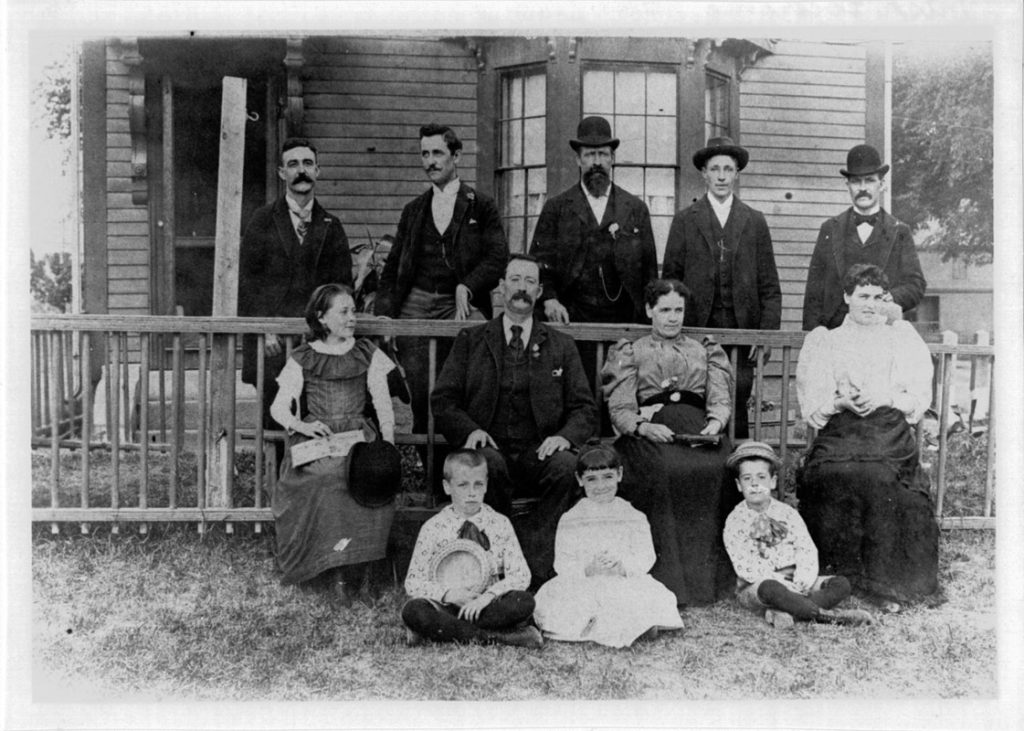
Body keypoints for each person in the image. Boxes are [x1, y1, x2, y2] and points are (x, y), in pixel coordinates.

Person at [431, 254, 598, 585]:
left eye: (530, 282)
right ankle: (497, 562)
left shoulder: (561, 345)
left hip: (541, 450)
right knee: (484, 466)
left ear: (539, 293)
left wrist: (564, 436)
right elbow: (443, 399)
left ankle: (538, 566)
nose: (522, 288)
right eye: (516, 280)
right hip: (491, 446)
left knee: (567, 467)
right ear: (501, 288)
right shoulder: (472, 340)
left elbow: (584, 407)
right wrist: (471, 430)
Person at [796, 263, 942, 612]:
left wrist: (885, 398)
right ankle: (840, 575)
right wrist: (840, 401)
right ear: (847, 297)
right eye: (863, 296)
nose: (871, 304)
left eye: (878, 297)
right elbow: (814, 406)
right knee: (830, 474)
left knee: (881, 478)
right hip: (843, 427)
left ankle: (884, 582)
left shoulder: (899, 337)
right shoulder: (827, 341)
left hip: (887, 427)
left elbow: (917, 397)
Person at [375, 123, 509, 468]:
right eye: (425, 154)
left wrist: (469, 284)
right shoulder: (414, 210)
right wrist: (385, 315)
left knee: (463, 392)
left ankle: (466, 471)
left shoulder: (481, 206)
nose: (430, 161)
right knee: (421, 396)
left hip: (458, 306)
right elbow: (392, 270)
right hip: (416, 304)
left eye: (437, 153)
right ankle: (433, 474)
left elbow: (497, 258)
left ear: (456, 156)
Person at [601, 279, 737, 608]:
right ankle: (669, 581)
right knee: (663, 469)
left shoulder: (705, 349)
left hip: (698, 428)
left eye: (678, 310)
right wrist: (644, 427)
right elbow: (620, 407)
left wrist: (714, 424)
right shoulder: (630, 351)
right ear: (650, 310)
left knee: (720, 465)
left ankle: (710, 580)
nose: (673, 318)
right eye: (664, 310)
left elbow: (719, 400)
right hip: (651, 431)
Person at [269, 284, 397, 606]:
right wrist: (303, 425)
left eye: (354, 311)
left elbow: (383, 404)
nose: (353, 317)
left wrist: (389, 447)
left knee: (369, 476)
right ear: (322, 318)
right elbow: (278, 408)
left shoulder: (366, 352)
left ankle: (364, 569)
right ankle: (337, 571)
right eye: (344, 312)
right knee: (328, 478)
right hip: (320, 438)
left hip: (358, 436)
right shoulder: (305, 357)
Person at [661, 136, 781, 438]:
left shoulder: (754, 221)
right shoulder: (685, 220)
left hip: (742, 337)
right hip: (696, 334)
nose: (722, 176)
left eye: (729, 169)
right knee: (694, 401)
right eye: (715, 169)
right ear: (704, 173)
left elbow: (770, 285)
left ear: (737, 173)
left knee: (737, 403)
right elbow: (670, 282)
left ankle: (736, 474)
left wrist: (764, 334)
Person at [529, 115, 658, 392]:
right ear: (578, 160)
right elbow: (538, 264)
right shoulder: (557, 208)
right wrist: (549, 299)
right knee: (578, 394)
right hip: (572, 321)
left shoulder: (634, 209)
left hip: (624, 325)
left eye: (602, 154)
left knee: (621, 399)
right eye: (589, 155)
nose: (596, 161)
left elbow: (649, 272)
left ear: (612, 159)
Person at [239, 138, 353, 431]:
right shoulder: (262, 221)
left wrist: (327, 331)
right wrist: (264, 327)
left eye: (307, 164)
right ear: (281, 173)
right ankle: (278, 476)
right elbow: (247, 282)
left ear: (318, 170)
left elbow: (342, 287)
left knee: (317, 419)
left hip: (317, 342)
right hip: (273, 344)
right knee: (277, 420)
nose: (301, 171)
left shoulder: (332, 225)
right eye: (293, 164)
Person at [533, 443, 684, 648]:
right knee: (567, 603)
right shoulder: (571, 518)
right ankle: (619, 626)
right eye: (591, 479)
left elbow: (646, 555)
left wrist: (622, 566)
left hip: (621, 579)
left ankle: (633, 623)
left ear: (619, 474)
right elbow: (563, 561)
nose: (600, 486)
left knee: (640, 597)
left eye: (608, 477)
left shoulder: (633, 516)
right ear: (579, 480)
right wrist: (588, 568)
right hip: (585, 581)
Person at [722, 441, 874, 629]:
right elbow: (744, 564)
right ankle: (826, 616)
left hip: (796, 580)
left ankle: (786, 610)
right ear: (739, 485)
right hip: (760, 585)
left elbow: (805, 547)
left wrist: (804, 577)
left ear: (773, 481)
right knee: (771, 589)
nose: (754, 484)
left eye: (761, 477)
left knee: (841, 584)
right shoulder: (735, 520)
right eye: (747, 478)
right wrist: (781, 584)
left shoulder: (787, 513)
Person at [402, 449, 541, 648]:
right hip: (446, 606)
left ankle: (441, 632)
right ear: (447, 487)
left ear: (486, 486)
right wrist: (449, 595)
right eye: (462, 485)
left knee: (524, 601)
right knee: (414, 611)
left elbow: (521, 575)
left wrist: (487, 597)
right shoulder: (433, 528)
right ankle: (501, 637)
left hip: (487, 606)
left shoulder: (500, 523)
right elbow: (413, 582)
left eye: (478, 484)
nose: (471, 492)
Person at [802, 143, 926, 331]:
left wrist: (890, 297)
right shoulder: (830, 229)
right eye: (855, 182)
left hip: (881, 333)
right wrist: (811, 337)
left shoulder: (899, 231)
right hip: (835, 334)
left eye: (869, 180)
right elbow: (814, 291)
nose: (862, 188)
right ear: (848, 186)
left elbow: (915, 285)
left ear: (881, 184)